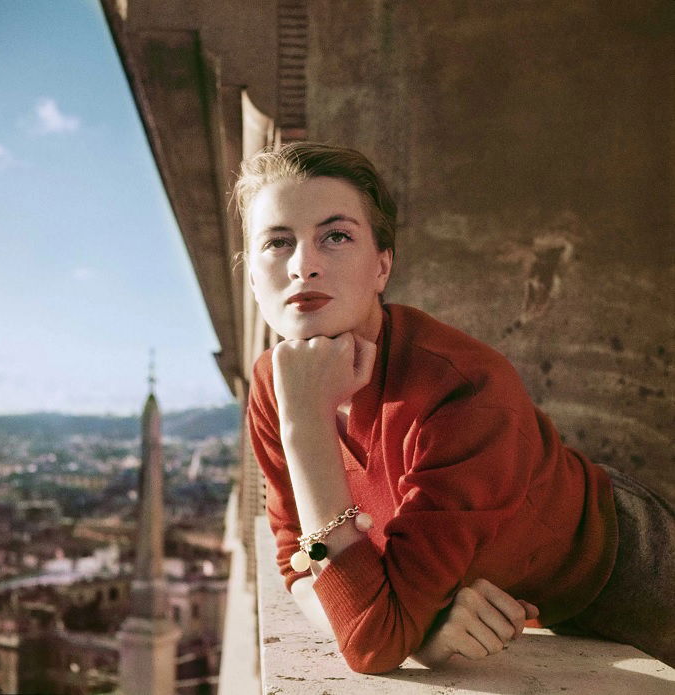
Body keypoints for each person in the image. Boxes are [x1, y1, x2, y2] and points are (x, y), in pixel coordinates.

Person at [235, 141, 675, 674]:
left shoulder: (462, 389)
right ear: (253, 278)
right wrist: (421, 629)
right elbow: (298, 565)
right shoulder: (274, 383)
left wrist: (305, 428)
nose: (304, 266)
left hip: (619, 564)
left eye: (336, 236)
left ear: (381, 266)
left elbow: (369, 639)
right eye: (278, 243)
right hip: (497, 592)